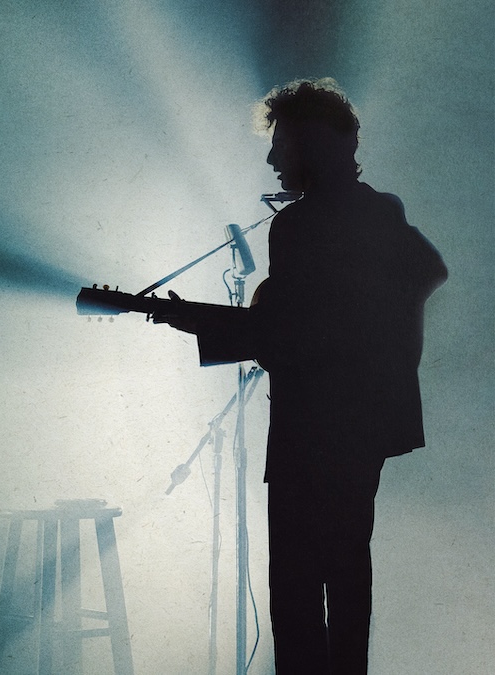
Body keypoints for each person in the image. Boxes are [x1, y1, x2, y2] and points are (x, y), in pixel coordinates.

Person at [156, 78, 447, 673]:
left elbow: (287, 334)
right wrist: (392, 355)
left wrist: (188, 320)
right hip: (364, 428)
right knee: (346, 578)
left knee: (295, 589)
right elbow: (428, 271)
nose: (271, 156)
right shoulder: (380, 211)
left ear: (310, 143)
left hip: (309, 431)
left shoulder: (299, 227)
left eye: (280, 141)